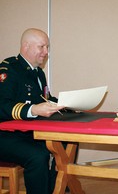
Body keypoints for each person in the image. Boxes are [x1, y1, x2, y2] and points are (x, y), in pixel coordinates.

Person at [0, 28, 64, 194]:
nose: (46, 52)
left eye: (47, 47)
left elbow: (45, 98)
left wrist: (69, 103)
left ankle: (55, 187)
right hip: (5, 135)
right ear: (26, 46)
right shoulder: (9, 69)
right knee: (38, 155)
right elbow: (2, 105)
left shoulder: (39, 73)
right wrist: (34, 109)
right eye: (42, 47)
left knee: (66, 142)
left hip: (27, 132)